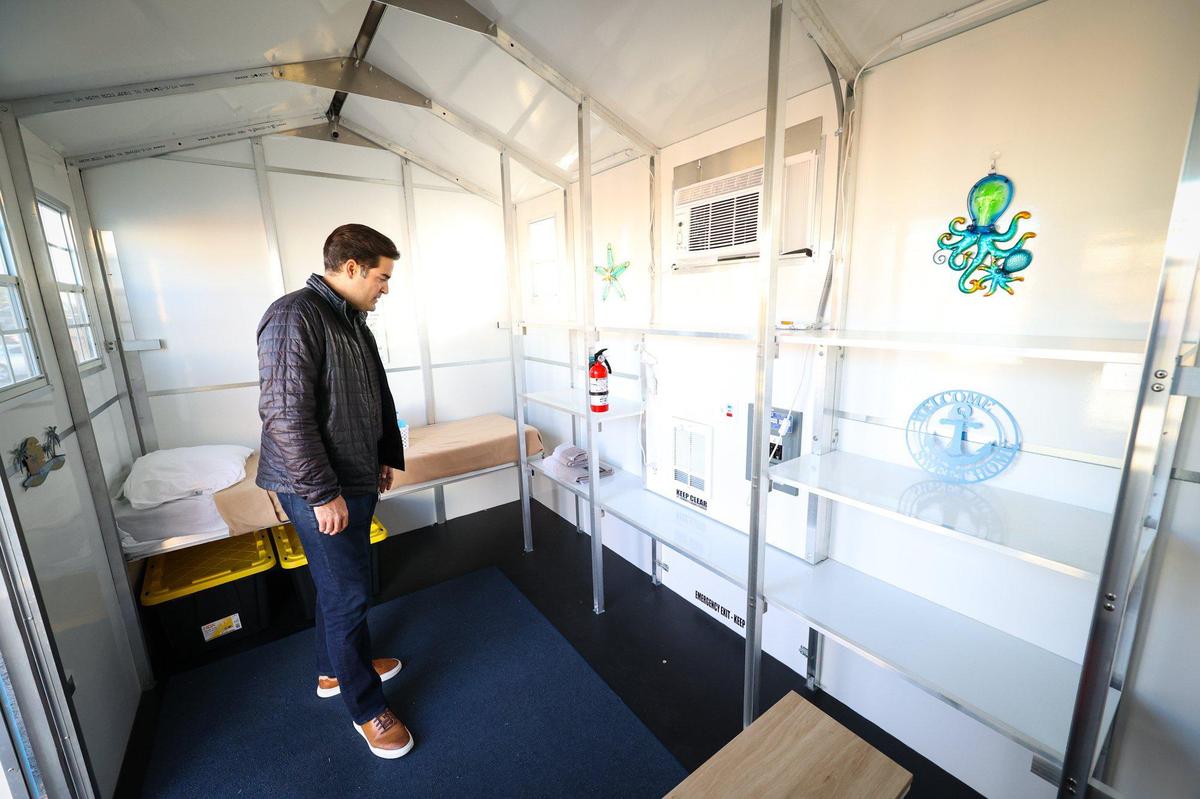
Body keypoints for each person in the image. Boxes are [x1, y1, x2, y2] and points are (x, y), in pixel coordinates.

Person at [256, 223, 413, 759]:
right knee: (349, 592)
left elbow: (376, 396)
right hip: (317, 485)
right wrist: (322, 494)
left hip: (353, 473)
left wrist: (383, 457)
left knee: (337, 584)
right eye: (381, 276)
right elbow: (284, 416)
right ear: (350, 268)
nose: (385, 288)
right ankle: (367, 709)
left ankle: (333, 671)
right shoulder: (294, 315)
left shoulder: (351, 320)